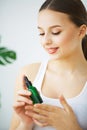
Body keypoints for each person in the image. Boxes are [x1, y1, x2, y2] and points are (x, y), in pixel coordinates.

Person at [9, 0, 87, 130]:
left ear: (81, 31)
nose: (45, 41)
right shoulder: (29, 74)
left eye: (56, 32)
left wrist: (71, 127)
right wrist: (25, 123)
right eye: (41, 33)